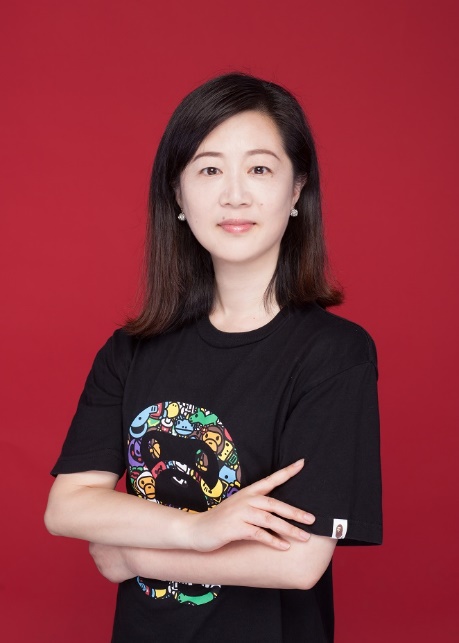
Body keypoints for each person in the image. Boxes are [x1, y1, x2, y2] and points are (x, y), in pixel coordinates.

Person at [45, 72, 382, 643]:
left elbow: (298, 564)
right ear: (178, 195)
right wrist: (199, 530)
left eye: (259, 169)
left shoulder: (334, 355)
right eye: (208, 170)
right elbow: (67, 507)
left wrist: (132, 553)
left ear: (297, 190)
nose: (234, 195)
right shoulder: (130, 349)